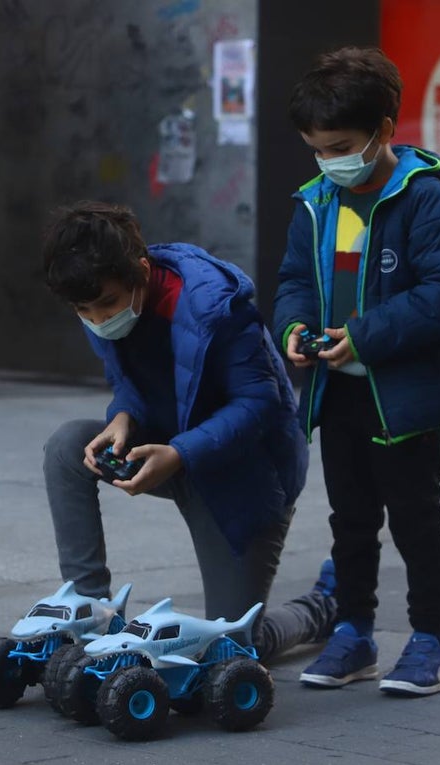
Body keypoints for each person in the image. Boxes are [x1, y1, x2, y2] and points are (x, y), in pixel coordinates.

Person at [272, 46, 440, 695]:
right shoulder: (316, 203)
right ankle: (353, 632)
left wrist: (364, 336)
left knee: (417, 519)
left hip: (404, 398)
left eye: (340, 145)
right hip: (338, 395)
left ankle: (430, 642)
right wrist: (296, 331)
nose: (328, 160)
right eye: (316, 148)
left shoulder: (421, 201)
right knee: (351, 519)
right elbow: (294, 282)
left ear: (384, 130)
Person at [40, 200, 335, 662]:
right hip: (165, 448)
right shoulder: (104, 298)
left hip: (245, 475)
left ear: (140, 271)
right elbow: (126, 379)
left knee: (232, 650)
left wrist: (178, 454)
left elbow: (259, 403)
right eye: (85, 310)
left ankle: (324, 606)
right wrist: (123, 416)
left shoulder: (216, 307)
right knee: (67, 447)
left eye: (107, 306)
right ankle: (91, 608)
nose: (98, 321)